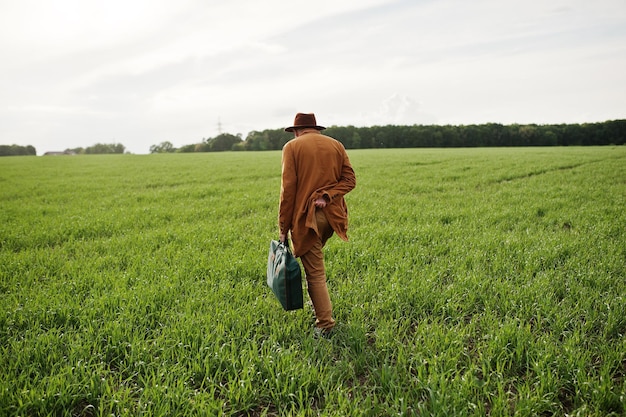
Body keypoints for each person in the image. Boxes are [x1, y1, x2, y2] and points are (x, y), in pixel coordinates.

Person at [278, 112, 356, 338]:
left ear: (296, 131)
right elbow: (350, 180)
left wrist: (283, 228)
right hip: (333, 217)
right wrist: (328, 195)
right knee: (315, 264)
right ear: (316, 128)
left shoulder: (292, 148)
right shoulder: (336, 145)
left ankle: (325, 324)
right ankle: (320, 309)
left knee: (315, 273)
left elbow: (288, 192)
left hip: (308, 219)